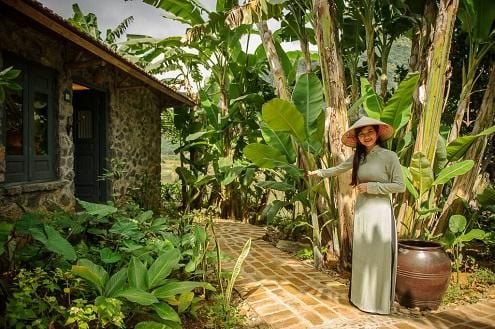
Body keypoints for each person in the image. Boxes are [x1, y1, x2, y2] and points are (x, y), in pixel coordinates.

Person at [307, 116, 405, 314]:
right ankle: (361, 298)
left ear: (377, 133)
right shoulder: (358, 157)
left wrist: (372, 187)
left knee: (378, 256)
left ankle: (376, 303)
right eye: (361, 133)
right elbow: (339, 168)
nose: (366, 136)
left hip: (380, 212)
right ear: (358, 137)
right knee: (362, 255)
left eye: (369, 132)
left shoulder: (389, 156)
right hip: (362, 210)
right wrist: (319, 173)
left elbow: (399, 186)